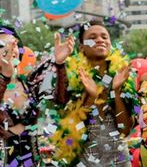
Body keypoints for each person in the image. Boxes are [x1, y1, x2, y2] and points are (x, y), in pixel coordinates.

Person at [52, 20, 139, 166]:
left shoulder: (122, 75)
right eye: (92, 38)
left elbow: (125, 130)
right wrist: (91, 97)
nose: (100, 40)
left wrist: (115, 91)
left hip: (119, 161)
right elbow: (71, 129)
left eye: (104, 37)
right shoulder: (71, 75)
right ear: (82, 48)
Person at [0, 24, 58, 166]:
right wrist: (5, 77)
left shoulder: (30, 84)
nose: (9, 50)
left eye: (13, 44)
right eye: (2, 45)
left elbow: (59, 98)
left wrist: (59, 63)